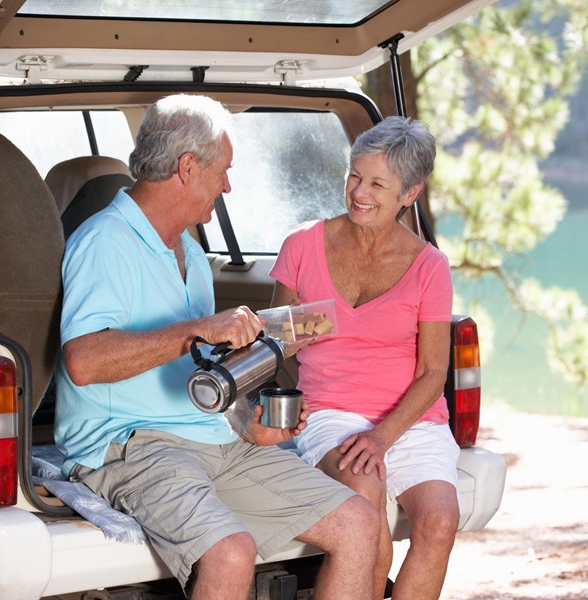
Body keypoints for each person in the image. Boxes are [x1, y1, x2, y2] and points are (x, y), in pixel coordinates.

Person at [55, 93, 379, 600]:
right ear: (188, 167)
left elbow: (199, 376)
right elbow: (83, 360)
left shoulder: (190, 251)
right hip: (132, 444)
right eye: (223, 170)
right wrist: (198, 328)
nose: (228, 184)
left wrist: (247, 423)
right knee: (230, 551)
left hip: (213, 440)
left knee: (359, 524)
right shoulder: (104, 242)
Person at [269, 116, 460, 600]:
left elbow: (433, 372)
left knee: (440, 521)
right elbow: (275, 346)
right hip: (332, 412)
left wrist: (380, 436)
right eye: (355, 175)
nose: (359, 191)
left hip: (413, 420)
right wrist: (289, 335)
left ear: (409, 194)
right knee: (364, 492)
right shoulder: (302, 244)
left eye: (377, 183)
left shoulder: (429, 266)